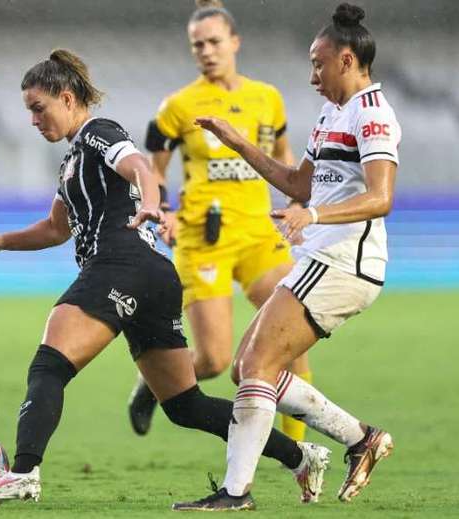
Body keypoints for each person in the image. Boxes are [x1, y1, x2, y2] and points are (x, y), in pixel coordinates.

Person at [0, 49, 330, 510]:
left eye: (39, 108)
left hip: (121, 264)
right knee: (185, 406)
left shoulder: (99, 132)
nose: (34, 120)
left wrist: (152, 201)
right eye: (29, 112)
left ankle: (23, 472)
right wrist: (0, 241)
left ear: (67, 97)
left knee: (49, 366)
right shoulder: (71, 162)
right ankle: (302, 457)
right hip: (154, 277)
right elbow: (56, 228)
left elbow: (138, 165)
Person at [173, 3, 399, 511]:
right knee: (244, 369)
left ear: (346, 59)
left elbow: (382, 197)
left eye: (318, 63)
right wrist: (237, 144)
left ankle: (237, 493)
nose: (312, 74)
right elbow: (299, 183)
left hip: (346, 264)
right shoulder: (330, 114)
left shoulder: (373, 114)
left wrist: (313, 216)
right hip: (322, 259)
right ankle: (361, 438)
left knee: (255, 363)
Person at [128, 0, 312, 443]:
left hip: (258, 236)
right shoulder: (177, 106)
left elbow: (284, 158)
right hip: (203, 239)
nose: (206, 51)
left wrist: (297, 205)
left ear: (235, 42)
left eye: (214, 42)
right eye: (197, 46)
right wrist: (165, 212)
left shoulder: (267, 98)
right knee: (212, 360)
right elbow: (153, 169)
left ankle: (301, 458)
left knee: (293, 341)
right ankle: (153, 386)